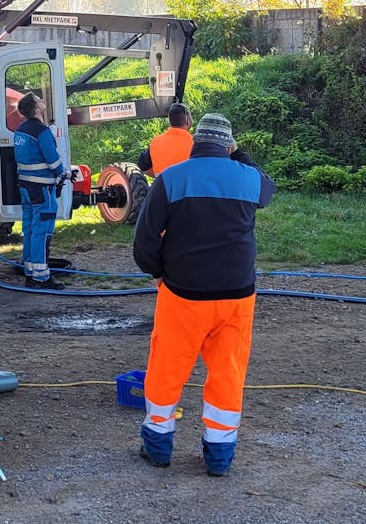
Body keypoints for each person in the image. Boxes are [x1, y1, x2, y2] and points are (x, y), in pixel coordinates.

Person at [132, 113, 274, 477]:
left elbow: (145, 241)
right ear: (228, 147)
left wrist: (158, 273)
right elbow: (268, 190)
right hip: (237, 296)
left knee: (167, 369)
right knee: (228, 374)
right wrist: (240, 156)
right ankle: (219, 458)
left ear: (195, 144)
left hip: (183, 294)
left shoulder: (170, 179)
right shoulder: (248, 179)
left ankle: (159, 448)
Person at [12, 92, 65, 290]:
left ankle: (29, 270)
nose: (42, 102)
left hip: (26, 188)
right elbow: (53, 160)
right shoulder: (41, 131)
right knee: (42, 232)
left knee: (29, 229)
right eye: (38, 101)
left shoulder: (20, 131)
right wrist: (65, 173)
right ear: (36, 109)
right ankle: (41, 277)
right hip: (42, 189)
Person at [137, 103, 193, 177]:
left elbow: (143, 166)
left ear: (170, 121)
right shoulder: (195, 143)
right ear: (187, 120)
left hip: (162, 187)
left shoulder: (156, 142)